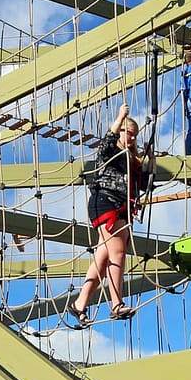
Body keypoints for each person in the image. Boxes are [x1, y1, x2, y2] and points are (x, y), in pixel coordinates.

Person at [68, 103, 147, 327]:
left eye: (135, 135)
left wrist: (147, 164)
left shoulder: (131, 160)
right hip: (106, 202)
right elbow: (105, 144)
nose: (133, 138)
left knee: (102, 257)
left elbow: (141, 185)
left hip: (119, 206)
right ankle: (116, 304)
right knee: (118, 252)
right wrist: (120, 116)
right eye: (129, 133)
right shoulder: (110, 152)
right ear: (121, 131)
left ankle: (80, 304)